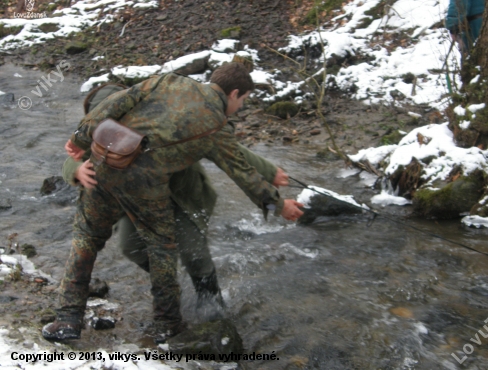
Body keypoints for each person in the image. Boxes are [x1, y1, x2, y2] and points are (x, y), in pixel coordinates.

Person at [43, 63, 304, 343]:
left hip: (103, 167)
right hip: (145, 184)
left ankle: (68, 319)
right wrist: (278, 205)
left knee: (85, 241)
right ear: (234, 93)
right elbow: (241, 172)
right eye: (243, 101)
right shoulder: (216, 124)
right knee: (161, 249)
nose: (240, 108)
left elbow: (117, 101)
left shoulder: (167, 81)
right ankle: (167, 324)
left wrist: (81, 137)